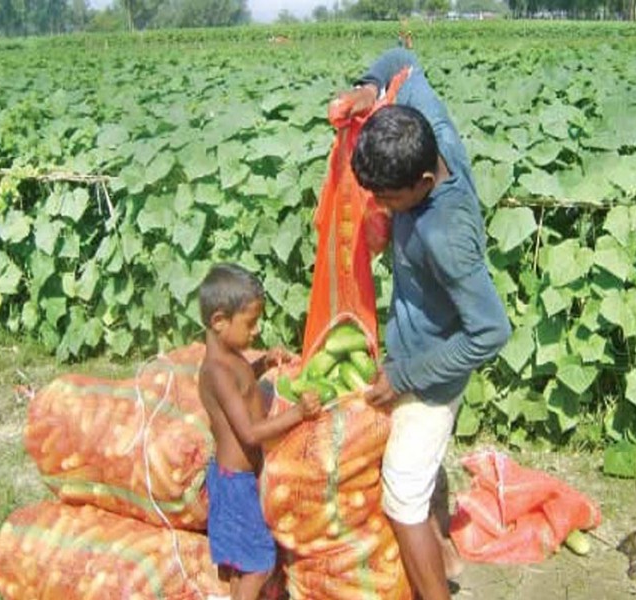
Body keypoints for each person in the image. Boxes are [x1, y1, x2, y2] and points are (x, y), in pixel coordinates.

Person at [330, 49, 512, 600]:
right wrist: (367, 88)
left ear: (426, 179)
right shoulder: (425, 128)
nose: (378, 204)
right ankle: (446, 555)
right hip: (412, 350)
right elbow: (403, 59)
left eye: (387, 197)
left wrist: (408, 375)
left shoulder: (446, 238)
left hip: (432, 373)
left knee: (402, 491)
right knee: (423, 470)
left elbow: (490, 331)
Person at [198, 263, 321, 600]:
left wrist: (263, 363)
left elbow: (243, 385)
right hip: (235, 484)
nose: (255, 331)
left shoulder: (230, 360)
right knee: (257, 565)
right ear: (219, 321)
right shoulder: (216, 371)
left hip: (235, 480)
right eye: (250, 323)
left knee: (243, 564)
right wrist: (299, 413)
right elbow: (250, 433)